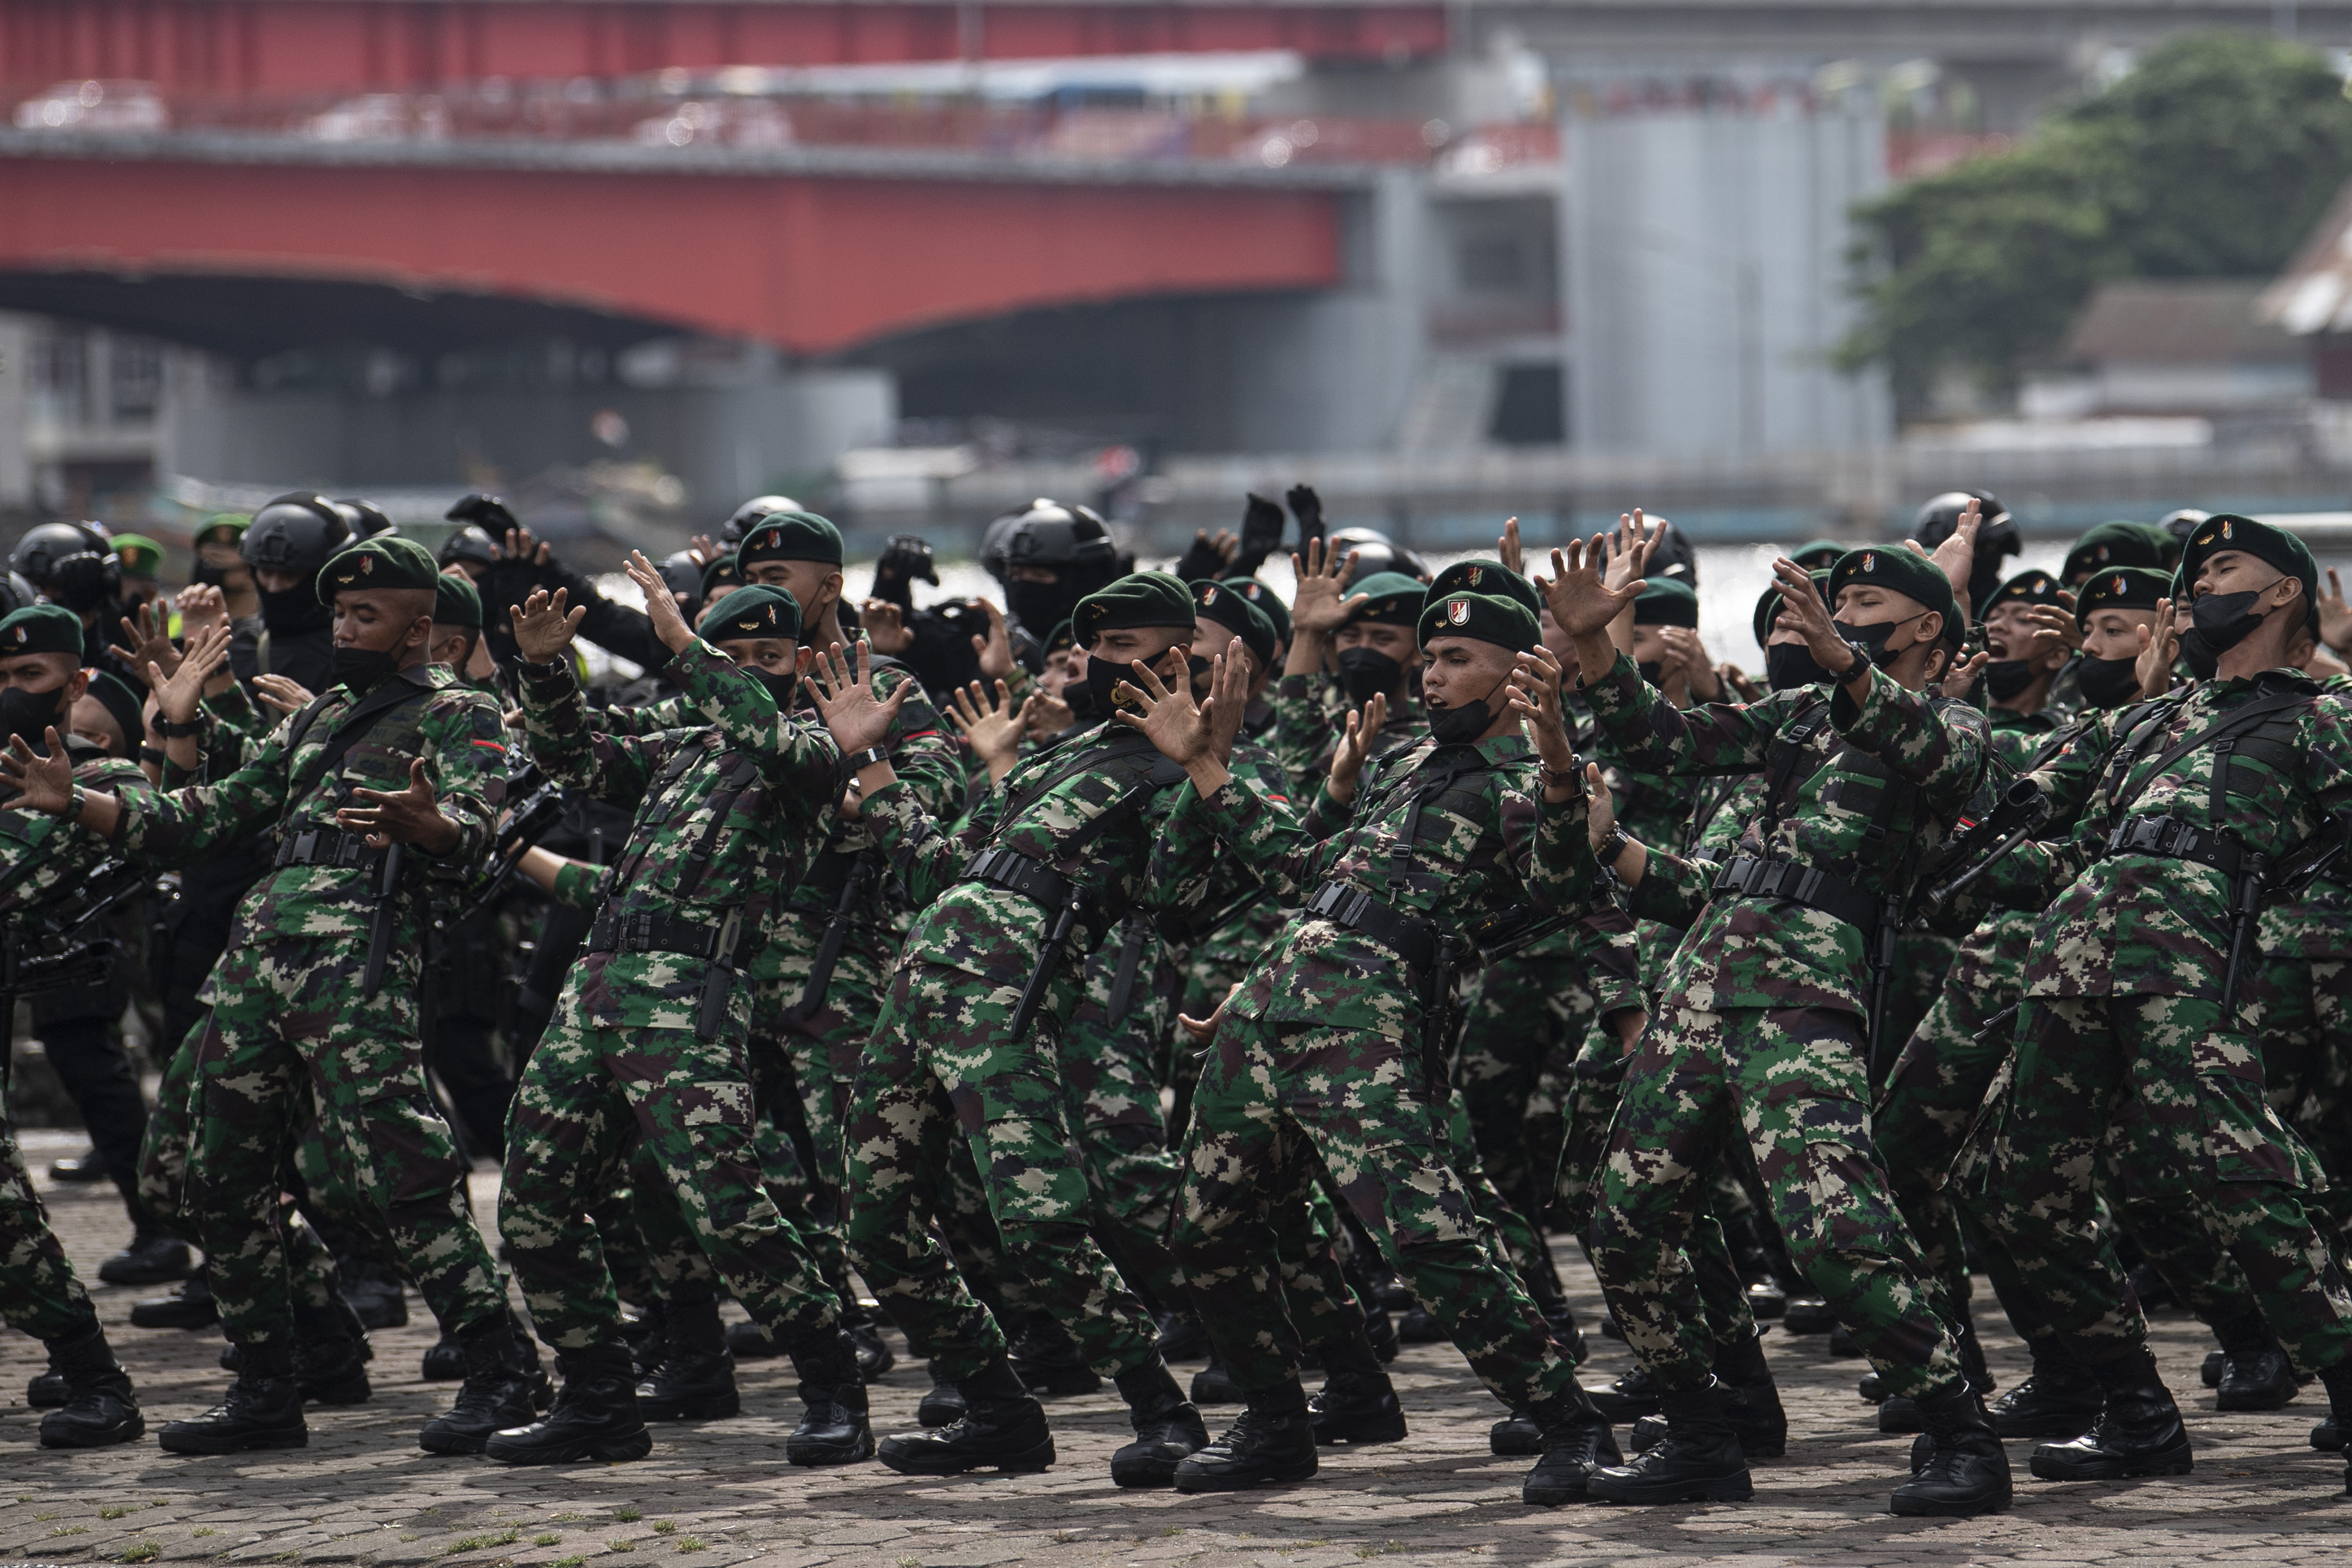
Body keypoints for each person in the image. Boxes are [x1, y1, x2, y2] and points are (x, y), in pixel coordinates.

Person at [0, 534, 537, 1457]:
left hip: (356, 969)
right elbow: (204, 816)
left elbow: (485, 822)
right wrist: (80, 802)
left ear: (421, 628)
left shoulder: (465, 713)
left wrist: (438, 827)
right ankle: (273, 1380)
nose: (345, 625)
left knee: (402, 1175)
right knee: (209, 1178)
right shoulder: (321, 719)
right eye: (340, 611)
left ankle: (502, 1366)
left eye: (367, 613)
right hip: (256, 968)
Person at [1553, 519, 2013, 1516]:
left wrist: (1848, 661)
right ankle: (1702, 1431)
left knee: (1833, 1231)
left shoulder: (1955, 723)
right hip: (1703, 982)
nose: (1834, 619)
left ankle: (1959, 1432)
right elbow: (1657, 742)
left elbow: (1951, 768)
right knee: (1625, 1226)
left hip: (1802, 993)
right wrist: (1595, 641)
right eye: (1833, 604)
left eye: (1863, 607)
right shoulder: (1800, 716)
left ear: (1926, 626)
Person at [1138, 581, 1619, 1503]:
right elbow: (1311, 874)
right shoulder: (1409, 767)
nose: (1429, 678)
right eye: (1428, 659)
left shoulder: (1541, 779)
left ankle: (1568, 1420)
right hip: (1276, 1003)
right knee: (1205, 1231)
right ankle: (1276, 1424)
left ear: (1522, 677)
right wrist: (1207, 768)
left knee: (1424, 1236)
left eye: (1455, 662)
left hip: (1370, 1020)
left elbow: (1565, 889)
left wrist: (1561, 771)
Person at [806, 571, 1282, 1486]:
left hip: (1010, 991)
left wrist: (1200, 764)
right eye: (1097, 650)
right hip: (925, 980)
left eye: (1128, 652)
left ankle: (1159, 1406)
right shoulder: (1055, 759)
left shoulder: (1184, 770)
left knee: (1041, 1222)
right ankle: (997, 1409)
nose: (1104, 667)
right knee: (873, 1221)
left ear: (1178, 660)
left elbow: (1179, 898)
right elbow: (936, 868)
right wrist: (871, 763)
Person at [1975, 514, 2352, 1490]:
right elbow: (1996, 784)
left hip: (2190, 968)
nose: (2197, 588)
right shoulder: (2145, 720)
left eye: (2224, 568)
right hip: (2071, 962)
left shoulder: (2322, 717)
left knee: (2238, 1175)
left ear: (2281, 593)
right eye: (2192, 575)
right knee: (2022, 1196)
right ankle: (2135, 1408)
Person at [489, 570, 874, 1469]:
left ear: (800, 667)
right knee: (535, 1200)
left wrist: (690, 649)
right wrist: (546, 674)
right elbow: (580, 756)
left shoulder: (813, 750)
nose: (744, 671)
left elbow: (781, 744)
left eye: (767, 658)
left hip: (688, 989)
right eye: (732, 655)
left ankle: (833, 1384)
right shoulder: (687, 745)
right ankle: (596, 1399)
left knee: (726, 1207)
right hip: (600, 976)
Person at [0, 603, 152, 1450]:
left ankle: (95, 1375)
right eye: (3, 678)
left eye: (31, 676)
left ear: (76, 683)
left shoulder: (105, 784)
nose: (15, 693)